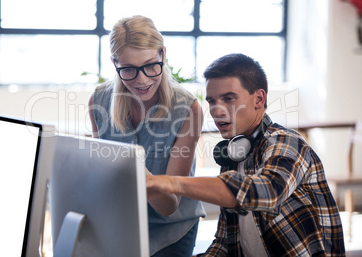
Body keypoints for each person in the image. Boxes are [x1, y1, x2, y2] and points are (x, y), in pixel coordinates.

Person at [147, 53, 346, 256]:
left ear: (259, 98)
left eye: (228, 99)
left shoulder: (287, 143)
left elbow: (267, 191)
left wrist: (172, 183)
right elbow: (225, 243)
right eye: (212, 101)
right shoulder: (234, 158)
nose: (217, 110)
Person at [88, 15, 206, 257]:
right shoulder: (98, 102)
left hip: (171, 230)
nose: (142, 80)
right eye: (129, 69)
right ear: (115, 64)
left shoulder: (187, 110)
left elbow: (169, 206)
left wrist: (137, 173)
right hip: (121, 222)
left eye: (151, 64)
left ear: (163, 54)